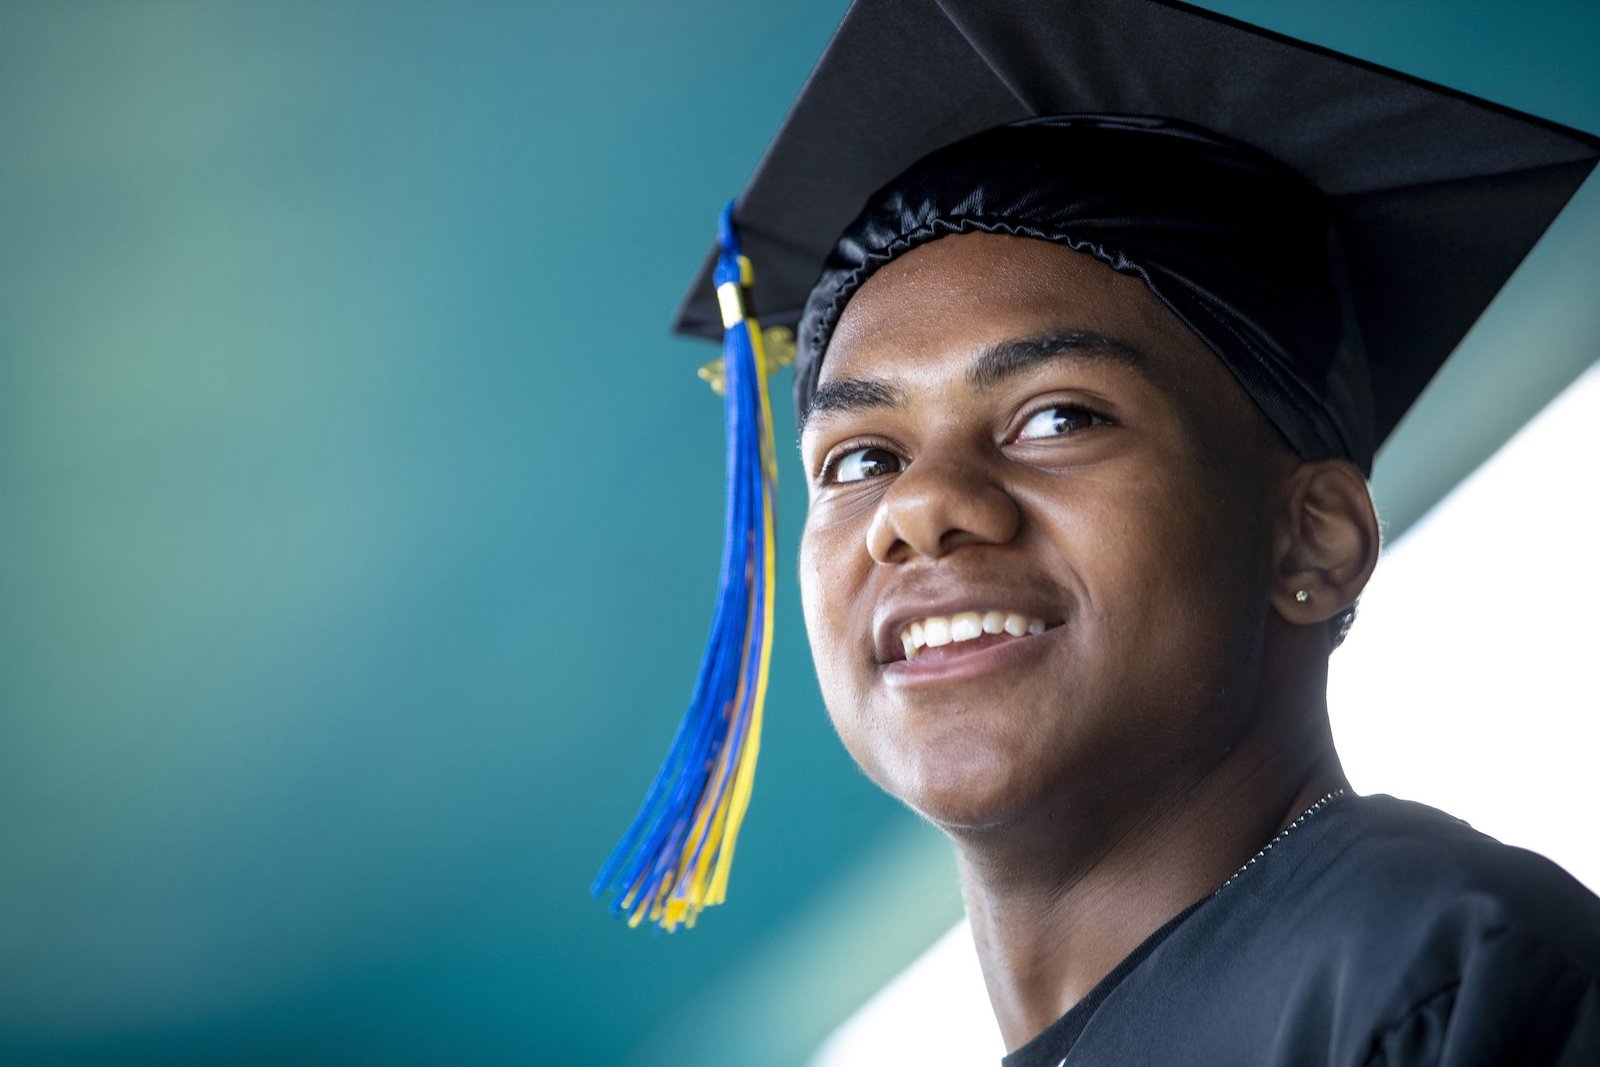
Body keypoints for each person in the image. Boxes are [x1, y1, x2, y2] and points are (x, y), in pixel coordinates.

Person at [600, 0, 1600, 1061]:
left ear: (1312, 540)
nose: (917, 506)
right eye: (861, 459)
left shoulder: (1437, 972)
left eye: (1056, 417)